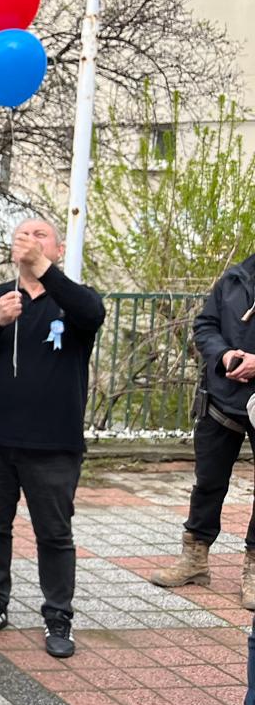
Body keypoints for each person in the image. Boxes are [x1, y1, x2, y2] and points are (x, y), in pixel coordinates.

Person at [0, 218, 105, 659]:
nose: (32, 241)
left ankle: (58, 615)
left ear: (58, 249)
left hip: (53, 443)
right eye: (25, 235)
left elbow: (92, 315)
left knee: (54, 533)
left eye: (42, 236)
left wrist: (43, 271)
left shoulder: (73, 298)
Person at [150, 253, 255, 605]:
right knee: (208, 481)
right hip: (220, 397)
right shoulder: (234, 278)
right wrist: (224, 355)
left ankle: (254, 570)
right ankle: (195, 559)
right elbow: (205, 326)